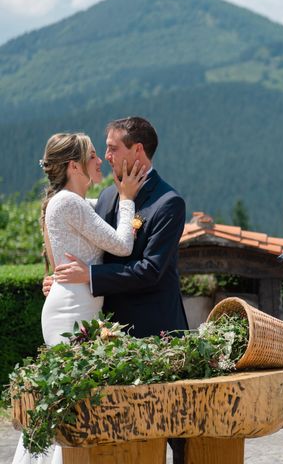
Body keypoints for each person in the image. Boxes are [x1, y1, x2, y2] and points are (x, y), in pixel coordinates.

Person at [51, 116, 189, 462]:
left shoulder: (168, 203)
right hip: (110, 335)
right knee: (122, 432)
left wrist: (90, 277)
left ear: (137, 150)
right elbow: (90, 247)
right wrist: (63, 279)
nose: (106, 156)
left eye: (112, 148)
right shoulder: (109, 196)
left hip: (155, 332)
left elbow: (151, 271)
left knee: (174, 429)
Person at [13, 132, 146, 464]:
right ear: (75, 165)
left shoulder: (72, 203)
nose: (100, 160)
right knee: (71, 401)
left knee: (69, 400)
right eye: (92, 156)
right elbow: (123, 244)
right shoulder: (69, 202)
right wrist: (127, 196)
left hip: (76, 308)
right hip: (71, 313)